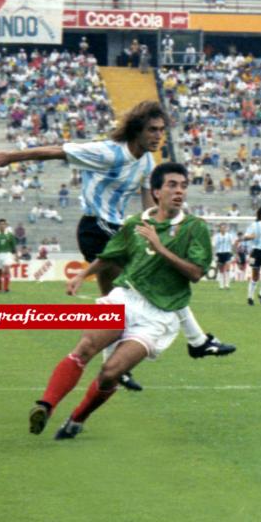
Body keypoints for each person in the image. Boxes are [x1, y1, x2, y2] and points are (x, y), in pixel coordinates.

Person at [0, 100, 233, 390]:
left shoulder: (146, 163)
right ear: (137, 131)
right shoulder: (108, 152)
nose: (158, 136)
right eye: (152, 130)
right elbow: (57, 151)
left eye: (162, 130)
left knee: (119, 302)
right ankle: (197, 341)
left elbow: (148, 204)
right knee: (152, 279)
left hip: (117, 228)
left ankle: (139, 360)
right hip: (96, 226)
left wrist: (159, 228)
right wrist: (10, 157)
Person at [28, 163, 213, 440]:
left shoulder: (195, 228)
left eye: (183, 186)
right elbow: (111, 254)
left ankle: (77, 418)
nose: (179, 191)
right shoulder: (135, 223)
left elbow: (197, 273)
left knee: (110, 373)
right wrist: (82, 274)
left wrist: (159, 247)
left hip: (157, 316)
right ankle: (46, 405)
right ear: (156, 191)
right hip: (125, 298)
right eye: (172, 185)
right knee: (85, 347)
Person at [212, 222, 236, 290]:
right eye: (222, 227)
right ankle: (221, 285)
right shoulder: (216, 236)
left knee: (227, 269)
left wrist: (233, 254)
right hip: (219, 253)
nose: (223, 229)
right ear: (220, 228)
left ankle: (227, 285)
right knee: (221, 270)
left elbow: (233, 245)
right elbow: (213, 246)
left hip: (227, 253)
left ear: (226, 228)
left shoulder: (229, 236)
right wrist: (214, 255)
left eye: (224, 227)